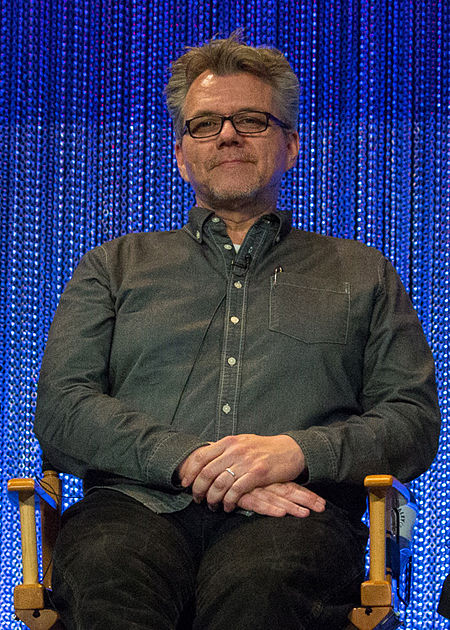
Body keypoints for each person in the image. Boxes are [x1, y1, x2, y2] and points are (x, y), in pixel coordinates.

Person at [34, 32, 441, 630]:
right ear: (181, 154)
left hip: (297, 513)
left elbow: (412, 421)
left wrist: (296, 452)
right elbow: (62, 409)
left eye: (251, 119)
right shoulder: (112, 266)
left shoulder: (363, 271)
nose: (227, 135)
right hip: (132, 506)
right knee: (107, 573)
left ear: (290, 146)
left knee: (263, 586)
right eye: (204, 124)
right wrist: (195, 464)